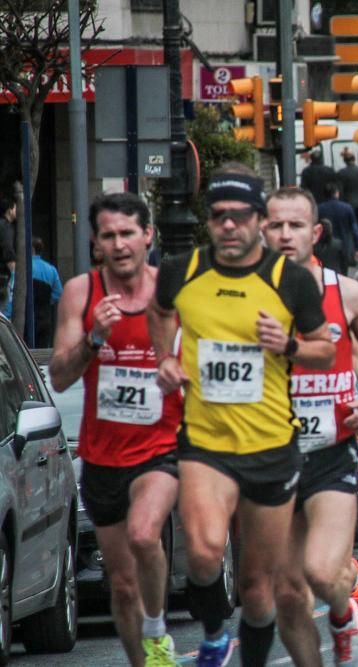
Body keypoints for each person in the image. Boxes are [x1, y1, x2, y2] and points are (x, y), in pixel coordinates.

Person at [149, 166, 336, 666]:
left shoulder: (289, 279)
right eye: (218, 216)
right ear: (208, 221)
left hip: (272, 446)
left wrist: (288, 343)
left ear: (258, 220)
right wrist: (165, 356)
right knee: (206, 553)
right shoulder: (181, 270)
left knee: (257, 588)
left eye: (239, 216)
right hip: (206, 444)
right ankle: (213, 634)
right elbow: (161, 311)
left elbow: (324, 350)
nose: (228, 225)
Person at [262, 186, 358, 667]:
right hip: (268, 458)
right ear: (262, 230)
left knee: (321, 571)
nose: (284, 234)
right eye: (275, 225)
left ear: (315, 232)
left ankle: (343, 614)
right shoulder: (243, 297)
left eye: (295, 225)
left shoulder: (348, 293)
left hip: (331, 451)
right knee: (287, 594)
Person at [48, 192, 183, 666]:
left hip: (162, 448)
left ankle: (158, 630)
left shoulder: (173, 290)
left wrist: (178, 373)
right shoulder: (81, 293)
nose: (120, 244)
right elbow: (60, 376)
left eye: (128, 233)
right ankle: (144, 660)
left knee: (146, 534)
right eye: (109, 235)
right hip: (104, 455)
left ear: (148, 235)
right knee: (122, 587)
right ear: (96, 243)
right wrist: (94, 339)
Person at [317, 181, 358, 269]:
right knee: (343, 271)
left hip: (324, 246)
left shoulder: (319, 208)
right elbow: (354, 229)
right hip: (344, 244)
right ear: (336, 193)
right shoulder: (347, 208)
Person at [31, 236, 63, 348]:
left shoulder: (24, 267)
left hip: (29, 316)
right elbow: (58, 293)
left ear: (31, 249)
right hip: (45, 315)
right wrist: (47, 301)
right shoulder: (51, 269)